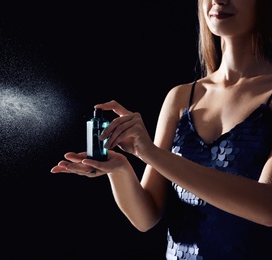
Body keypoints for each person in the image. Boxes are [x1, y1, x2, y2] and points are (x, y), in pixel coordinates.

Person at [51, 0, 272, 259]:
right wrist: (120, 169)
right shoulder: (182, 98)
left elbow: (267, 206)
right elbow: (146, 216)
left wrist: (151, 153)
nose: (218, 0)